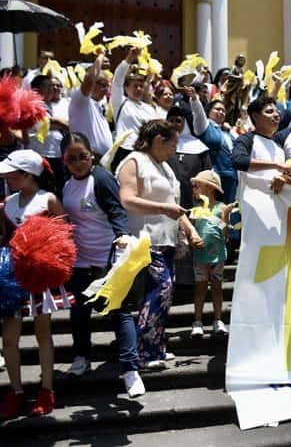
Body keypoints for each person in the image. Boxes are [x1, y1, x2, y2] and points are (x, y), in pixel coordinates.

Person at [59, 133, 145, 397]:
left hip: (107, 258)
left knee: (118, 312)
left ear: (92, 155)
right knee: (79, 314)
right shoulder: (66, 185)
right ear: (64, 160)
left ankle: (131, 370)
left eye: (82, 156)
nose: (77, 163)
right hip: (80, 261)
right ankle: (82, 357)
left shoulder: (102, 178)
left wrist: (121, 235)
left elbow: (117, 210)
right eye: (71, 158)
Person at [116, 120, 203, 369]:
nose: (175, 150)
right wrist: (164, 209)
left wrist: (190, 229)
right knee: (160, 290)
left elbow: (175, 205)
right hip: (145, 238)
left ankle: (156, 345)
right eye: (173, 144)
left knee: (165, 292)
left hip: (167, 239)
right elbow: (128, 199)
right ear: (157, 141)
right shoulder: (134, 161)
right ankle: (145, 351)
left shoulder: (165, 166)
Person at [0, 150, 71, 418]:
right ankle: (16, 391)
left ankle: (46, 389)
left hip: (40, 278)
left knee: (43, 334)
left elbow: (64, 239)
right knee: (9, 339)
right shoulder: (6, 203)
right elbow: (4, 241)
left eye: (11, 173)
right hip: (11, 279)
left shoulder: (48, 200)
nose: (7, 177)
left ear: (28, 175)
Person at [189, 170, 228, 338]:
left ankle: (217, 320)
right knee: (200, 287)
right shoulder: (195, 210)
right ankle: (197, 321)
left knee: (217, 287)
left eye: (198, 185)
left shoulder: (222, 208)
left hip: (217, 255)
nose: (194, 188)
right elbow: (189, 230)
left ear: (210, 188)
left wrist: (225, 218)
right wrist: (192, 240)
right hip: (200, 256)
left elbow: (225, 233)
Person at [231, 96, 291, 194]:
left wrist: (284, 179)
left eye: (277, 111)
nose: (276, 115)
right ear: (256, 116)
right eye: (269, 112)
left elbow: (288, 176)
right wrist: (275, 165)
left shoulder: (279, 147)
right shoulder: (247, 139)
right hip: (250, 205)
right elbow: (238, 161)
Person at [111, 47, 160, 172]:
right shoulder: (121, 102)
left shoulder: (149, 109)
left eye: (140, 86)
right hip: (125, 151)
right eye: (134, 86)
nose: (138, 89)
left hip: (145, 153)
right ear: (126, 88)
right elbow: (117, 80)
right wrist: (129, 58)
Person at [188, 91, 238, 203]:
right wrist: (195, 99)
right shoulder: (205, 126)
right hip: (213, 179)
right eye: (217, 109)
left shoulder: (227, 132)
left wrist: (231, 130)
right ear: (209, 112)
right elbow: (198, 113)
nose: (220, 112)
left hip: (232, 179)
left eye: (223, 110)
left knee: (228, 212)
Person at [27, 74, 68, 193]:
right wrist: (58, 121)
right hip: (41, 154)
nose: (52, 89)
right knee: (43, 189)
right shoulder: (31, 105)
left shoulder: (51, 105)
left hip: (57, 154)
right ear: (37, 89)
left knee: (60, 188)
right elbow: (42, 125)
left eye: (53, 86)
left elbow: (65, 124)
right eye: (48, 86)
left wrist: (56, 122)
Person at [67, 54, 113, 159]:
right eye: (102, 84)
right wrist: (100, 58)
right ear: (93, 84)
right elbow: (89, 79)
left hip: (102, 160)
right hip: (85, 160)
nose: (106, 89)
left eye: (107, 86)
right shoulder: (81, 101)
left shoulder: (100, 105)